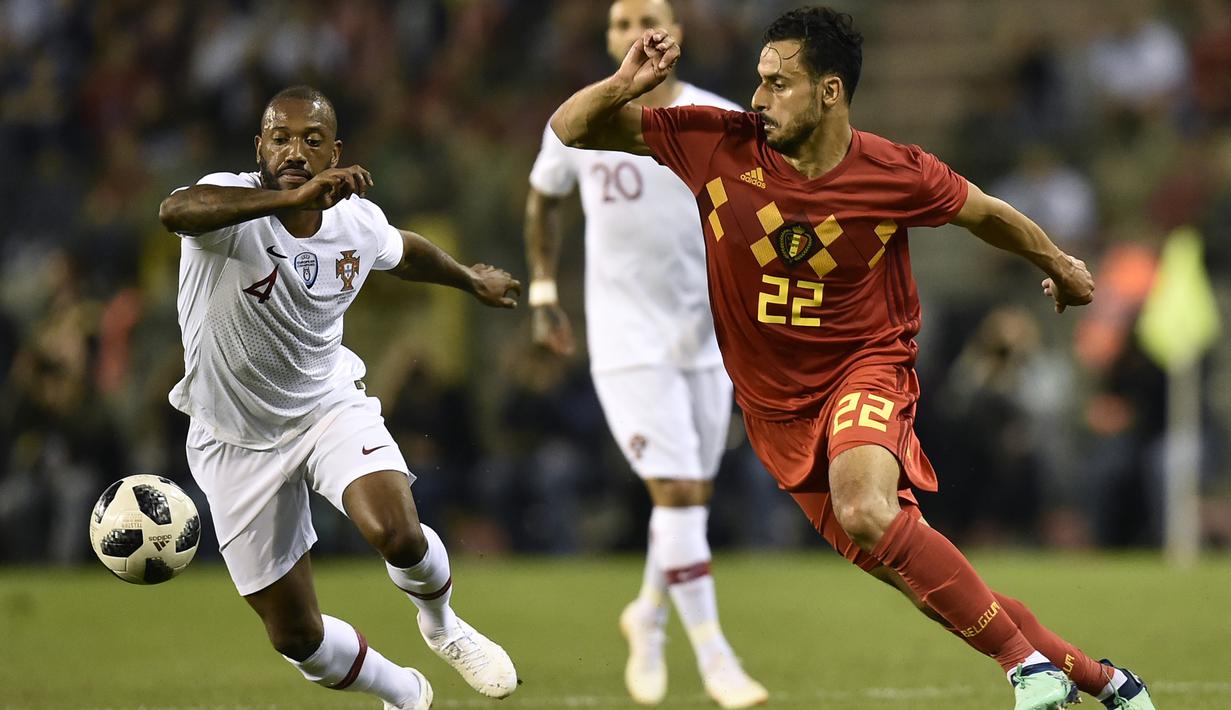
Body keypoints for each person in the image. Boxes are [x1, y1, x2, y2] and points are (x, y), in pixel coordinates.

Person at [548, 7, 1156, 710]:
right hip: (776, 412)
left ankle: (1026, 668)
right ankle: (1107, 683)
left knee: (866, 507)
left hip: (865, 371)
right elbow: (571, 128)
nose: (757, 98)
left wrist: (1059, 263)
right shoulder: (712, 144)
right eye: (758, 80)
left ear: (828, 91)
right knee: (931, 588)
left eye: (778, 83)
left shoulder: (894, 172)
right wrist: (627, 81)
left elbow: (983, 211)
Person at [158, 85, 520, 710]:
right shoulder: (230, 208)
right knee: (296, 637)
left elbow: (406, 254)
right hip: (231, 441)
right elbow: (176, 210)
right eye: (281, 138)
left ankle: (443, 626)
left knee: (397, 532)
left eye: (312, 139)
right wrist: (285, 198)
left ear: (337, 152)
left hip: (325, 407)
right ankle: (404, 692)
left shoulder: (355, 222)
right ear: (259, 148)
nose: (295, 150)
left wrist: (468, 278)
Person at [524, 1, 767, 707]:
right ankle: (715, 656)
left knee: (690, 492)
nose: (636, 33)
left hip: (706, 334)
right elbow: (544, 197)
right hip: (625, 334)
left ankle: (647, 616)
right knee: (679, 492)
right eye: (621, 24)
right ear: (608, 41)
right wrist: (543, 290)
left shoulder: (719, 120)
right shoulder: (581, 120)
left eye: (648, 19)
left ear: (676, 34)